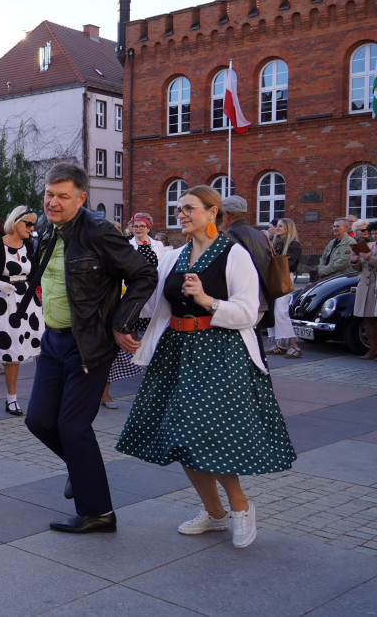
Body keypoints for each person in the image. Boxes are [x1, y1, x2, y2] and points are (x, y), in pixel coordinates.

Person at [116, 185, 296, 549]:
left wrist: (207, 300)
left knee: (205, 431)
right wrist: (124, 323)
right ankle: (215, 514)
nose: (181, 214)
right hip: (177, 351)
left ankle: (241, 507)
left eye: (189, 208)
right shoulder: (173, 256)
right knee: (181, 436)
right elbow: (155, 305)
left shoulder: (234, 254)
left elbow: (249, 311)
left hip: (220, 350)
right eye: (179, 208)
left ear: (213, 212)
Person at [23, 163, 157, 534]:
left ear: (82, 198)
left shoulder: (100, 232)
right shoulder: (49, 229)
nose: (53, 202)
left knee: (72, 426)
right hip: (53, 338)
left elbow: (144, 275)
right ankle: (80, 472)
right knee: (37, 420)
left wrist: (121, 322)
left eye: (63, 196)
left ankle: (98, 512)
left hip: (90, 341)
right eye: (49, 194)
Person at [0, 207, 43, 413]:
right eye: (28, 224)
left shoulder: (30, 246)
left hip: (28, 301)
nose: (31, 228)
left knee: (40, 346)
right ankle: (11, 398)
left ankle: (42, 396)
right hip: (4, 301)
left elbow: (35, 273)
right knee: (12, 351)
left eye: (33, 224)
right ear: (15, 223)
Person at [101, 215, 161, 409]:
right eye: (136, 225)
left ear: (149, 228)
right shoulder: (126, 245)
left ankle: (149, 394)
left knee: (153, 348)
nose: (139, 229)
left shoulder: (158, 246)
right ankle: (105, 393)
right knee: (125, 349)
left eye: (143, 226)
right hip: (131, 302)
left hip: (153, 301)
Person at [221, 195, 273, 330]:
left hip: (239, 303)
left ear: (225, 216)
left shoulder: (227, 237)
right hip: (261, 301)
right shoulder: (261, 235)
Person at [266, 218, 303, 359]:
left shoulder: (294, 245)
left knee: (281, 311)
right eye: (277, 226)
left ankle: (294, 346)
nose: (277, 228)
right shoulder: (274, 243)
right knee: (273, 310)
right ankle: (280, 344)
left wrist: (275, 259)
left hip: (285, 278)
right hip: (273, 277)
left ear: (288, 228)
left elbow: (291, 265)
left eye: (281, 226)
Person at [350, 221, 377, 359]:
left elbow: (372, 262)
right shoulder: (370, 246)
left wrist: (370, 258)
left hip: (375, 286)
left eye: (376, 233)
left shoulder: (371, 250)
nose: (374, 235)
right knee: (368, 318)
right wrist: (355, 261)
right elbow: (361, 268)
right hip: (366, 287)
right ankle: (373, 349)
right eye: (372, 233)